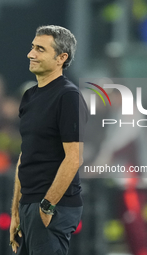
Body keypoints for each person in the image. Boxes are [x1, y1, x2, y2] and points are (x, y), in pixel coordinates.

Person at [9, 25, 88, 255]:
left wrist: (47, 205)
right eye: (33, 47)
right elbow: (26, 156)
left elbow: (74, 158)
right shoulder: (29, 96)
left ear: (61, 58)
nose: (31, 54)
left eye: (40, 49)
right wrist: (16, 211)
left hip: (53, 206)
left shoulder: (68, 96)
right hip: (29, 205)